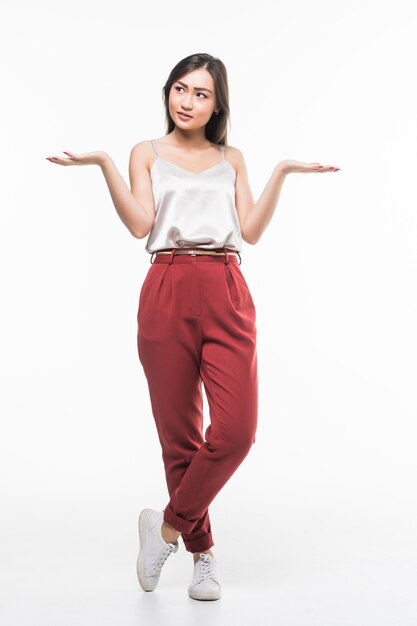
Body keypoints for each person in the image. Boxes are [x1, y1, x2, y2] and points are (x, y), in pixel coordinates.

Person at [46, 52, 340, 602]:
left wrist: (280, 173)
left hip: (227, 286)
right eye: (180, 89)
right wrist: (106, 163)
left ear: (216, 104)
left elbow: (249, 230)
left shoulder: (233, 158)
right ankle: (202, 555)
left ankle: (163, 531)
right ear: (168, 93)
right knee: (180, 438)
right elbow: (140, 225)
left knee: (235, 433)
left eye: (201, 93)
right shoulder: (146, 153)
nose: (187, 101)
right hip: (166, 284)